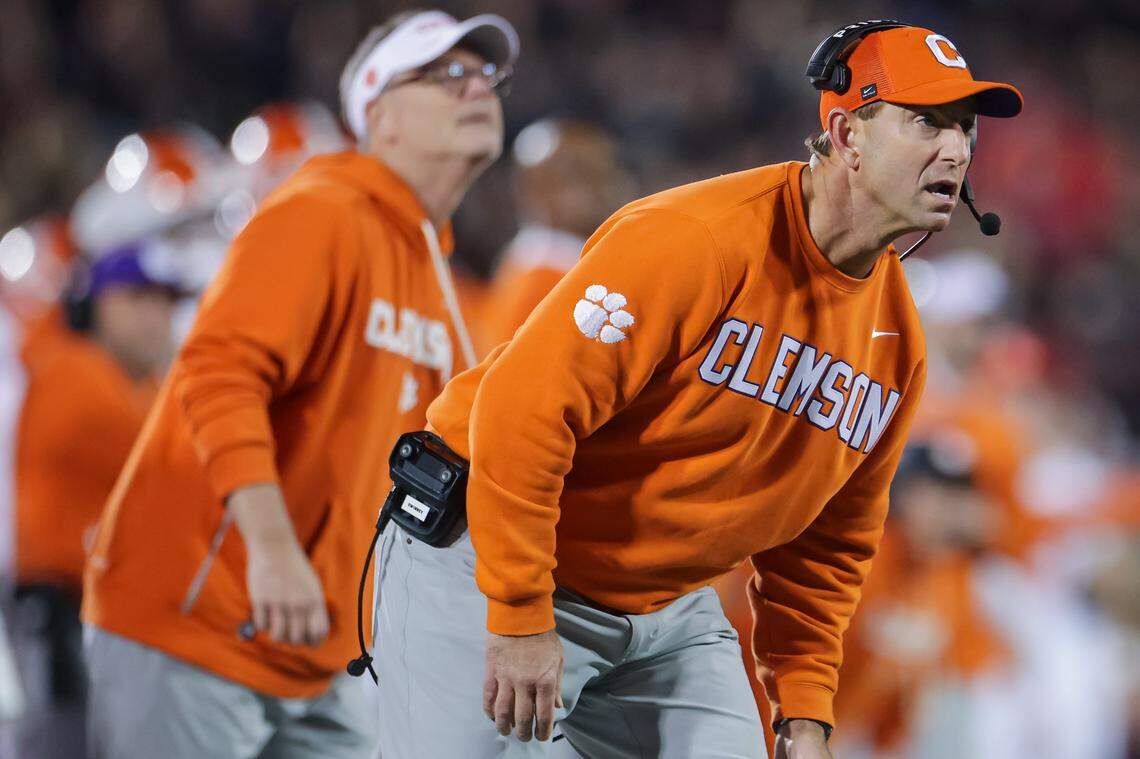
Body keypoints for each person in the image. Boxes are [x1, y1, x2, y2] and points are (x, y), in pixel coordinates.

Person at [372, 21, 1022, 758]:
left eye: (965, 130)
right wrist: (519, 611)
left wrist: (804, 712)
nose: (957, 150)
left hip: (662, 607)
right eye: (927, 122)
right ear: (847, 134)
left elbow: (827, 547)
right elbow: (522, 414)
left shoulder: (897, 343)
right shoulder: (695, 238)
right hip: (486, 550)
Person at [81, 9, 518, 758]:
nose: (476, 87)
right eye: (446, 74)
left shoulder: (431, 274)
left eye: (485, 74)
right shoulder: (322, 211)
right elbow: (217, 373)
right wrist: (275, 548)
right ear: (379, 114)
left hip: (319, 655)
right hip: (195, 622)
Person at [9, 241, 177, 759]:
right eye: (137, 299)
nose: (158, 316)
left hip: (114, 614)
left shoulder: (144, 386)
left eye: (165, 301)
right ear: (95, 305)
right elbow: (166, 455)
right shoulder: (73, 372)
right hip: (59, 606)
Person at [480, 118, 632, 349]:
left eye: (605, 171)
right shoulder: (541, 275)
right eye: (579, 176)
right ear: (536, 192)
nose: (601, 186)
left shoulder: (574, 259)